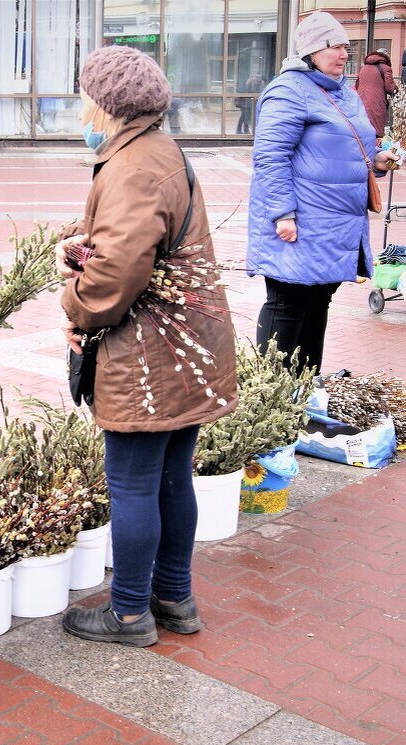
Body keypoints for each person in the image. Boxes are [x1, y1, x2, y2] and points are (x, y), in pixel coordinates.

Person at [56, 46, 238, 647]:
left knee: (134, 482)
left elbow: (114, 278)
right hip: (184, 345)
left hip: (149, 351)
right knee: (171, 475)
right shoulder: (159, 151)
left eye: (85, 96)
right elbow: (133, 243)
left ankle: (130, 613)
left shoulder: (133, 166)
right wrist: (81, 245)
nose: (80, 108)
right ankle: (175, 598)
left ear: (108, 105)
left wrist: (74, 304)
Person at [246, 11, 400, 374]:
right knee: (288, 304)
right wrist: (282, 213)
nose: (344, 53)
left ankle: (305, 388)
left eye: (346, 46)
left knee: (318, 304)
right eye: (334, 46)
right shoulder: (288, 91)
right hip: (300, 221)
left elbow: (349, 145)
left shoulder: (344, 93)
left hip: (335, 223)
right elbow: (270, 157)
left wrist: (377, 158)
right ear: (311, 50)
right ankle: (270, 393)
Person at [355, 49, 397, 140]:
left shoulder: (363, 68)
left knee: (362, 129)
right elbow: (390, 88)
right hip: (376, 103)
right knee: (375, 131)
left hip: (360, 102)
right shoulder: (386, 68)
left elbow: (357, 85)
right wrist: (397, 89)